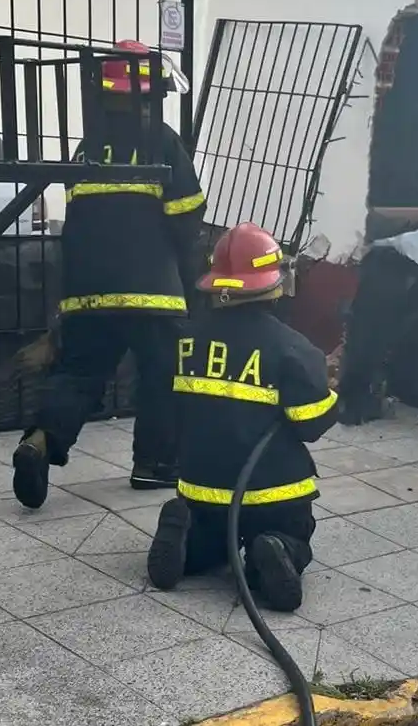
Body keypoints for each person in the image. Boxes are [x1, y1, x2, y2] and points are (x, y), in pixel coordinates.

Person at [12, 40, 206, 509]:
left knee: (79, 373)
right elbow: (187, 217)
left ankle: (40, 439)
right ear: (149, 94)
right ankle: (154, 465)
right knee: (163, 375)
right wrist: (190, 277)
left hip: (86, 291)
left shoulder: (88, 148)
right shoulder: (162, 142)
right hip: (153, 292)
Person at [146, 222, 337, 612]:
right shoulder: (293, 348)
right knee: (293, 531)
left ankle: (189, 540)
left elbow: (167, 406)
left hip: (201, 488)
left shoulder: (185, 341)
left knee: (212, 542)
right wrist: (331, 391)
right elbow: (310, 425)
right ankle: (278, 546)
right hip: (274, 492)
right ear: (273, 283)